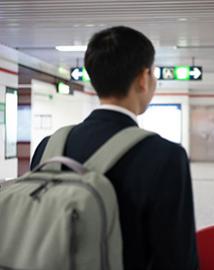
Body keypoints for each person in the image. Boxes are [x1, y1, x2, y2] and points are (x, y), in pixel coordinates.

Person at [31, 26, 199, 270]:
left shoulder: (48, 147)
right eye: (152, 74)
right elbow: (177, 260)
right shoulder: (166, 156)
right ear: (143, 78)